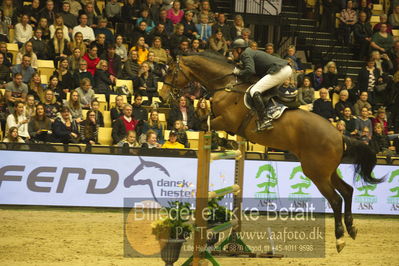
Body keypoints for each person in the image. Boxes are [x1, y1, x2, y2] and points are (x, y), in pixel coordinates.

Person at [231, 38, 291, 131]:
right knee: (265, 91)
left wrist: (238, 72)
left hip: (280, 70)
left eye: (233, 51)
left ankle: (264, 121)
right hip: (284, 69)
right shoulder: (249, 52)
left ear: (239, 50)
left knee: (254, 90)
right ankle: (273, 109)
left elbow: (250, 70)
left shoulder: (245, 54)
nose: (232, 54)